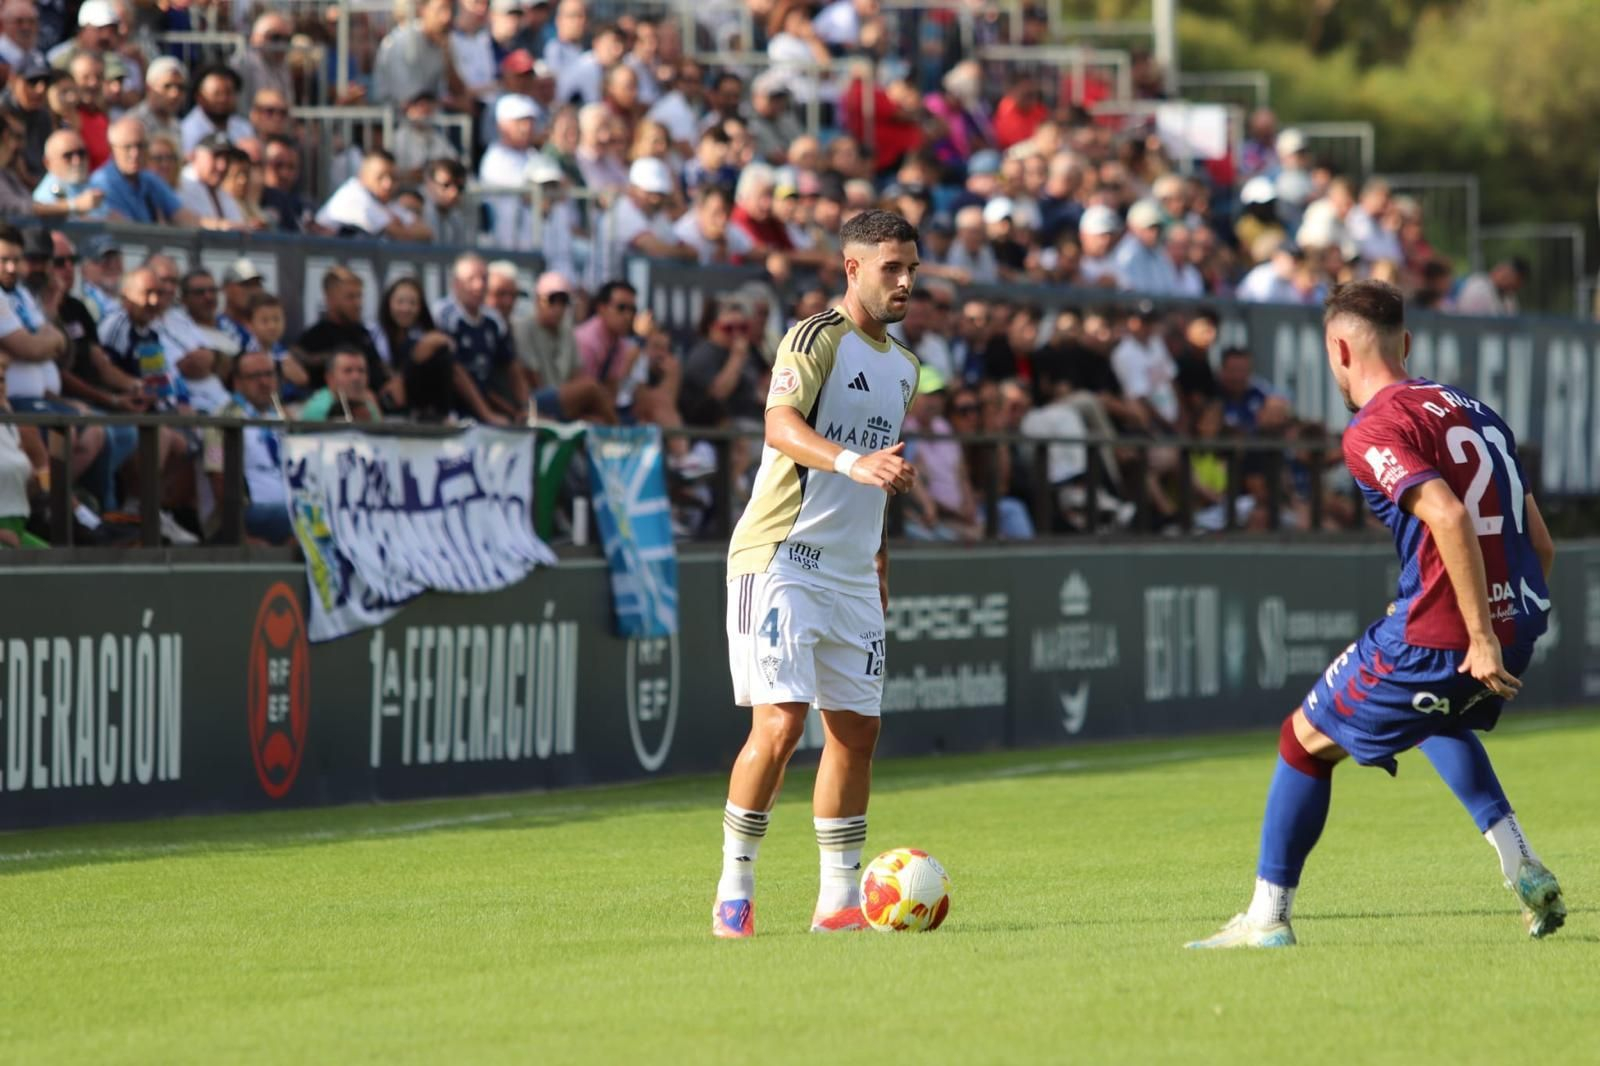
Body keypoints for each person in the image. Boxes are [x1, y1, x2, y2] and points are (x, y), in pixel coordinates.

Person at [1189, 280, 1562, 950]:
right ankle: (1523, 864)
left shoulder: (1372, 428)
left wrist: (1475, 634)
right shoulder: (1474, 410)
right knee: (1431, 719)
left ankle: (1266, 919)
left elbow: (1447, 513)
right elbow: (1540, 543)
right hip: (1517, 622)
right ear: (1407, 343)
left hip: (1445, 636)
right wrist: (1506, 626)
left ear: (1338, 348)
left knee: (1300, 742)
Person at [712, 209, 921, 938]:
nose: (904, 282)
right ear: (853, 268)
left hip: (853, 571)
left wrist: (879, 558)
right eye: (890, 268)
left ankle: (837, 901)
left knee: (857, 731)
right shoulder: (813, 338)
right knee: (779, 723)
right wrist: (850, 460)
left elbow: (881, 471)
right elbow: (779, 426)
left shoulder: (905, 365)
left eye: (912, 270)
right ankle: (735, 885)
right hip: (782, 558)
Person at [203, 349, 291, 544]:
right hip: (250, 514)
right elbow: (219, 480)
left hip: (286, 509)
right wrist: (241, 536)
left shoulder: (283, 416)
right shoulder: (221, 420)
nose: (264, 382)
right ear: (237, 382)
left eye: (269, 374)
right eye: (254, 376)